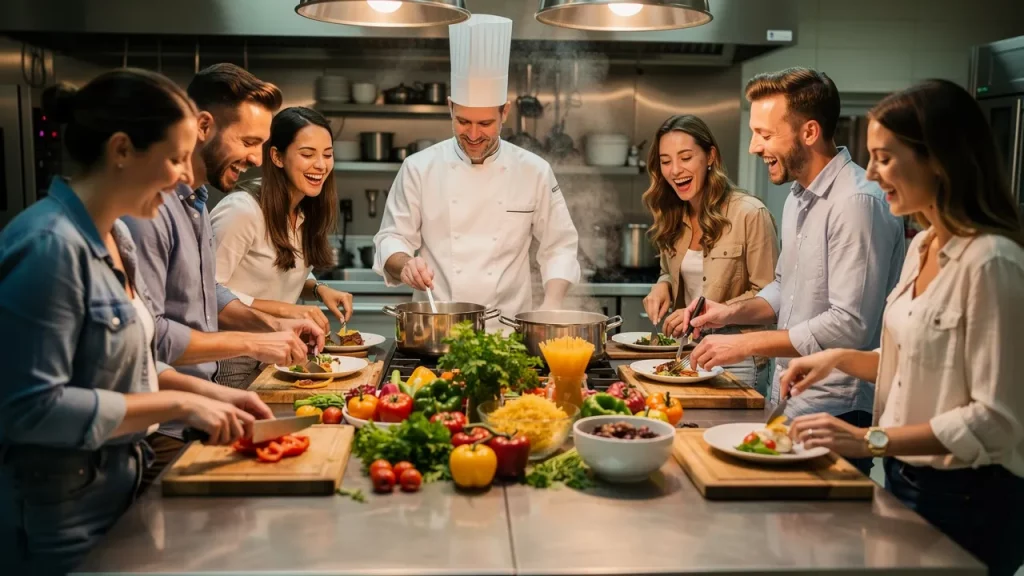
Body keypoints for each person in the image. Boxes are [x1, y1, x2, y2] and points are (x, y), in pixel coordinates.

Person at [0, 70, 273, 575]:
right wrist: (180, 402)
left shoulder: (115, 241)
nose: (182, 176)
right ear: (122, 149)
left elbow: (135, 362)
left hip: (118, 487)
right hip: (60, 514)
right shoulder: (49, 247)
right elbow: (29, 408)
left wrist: (214, 396)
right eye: (173, 158)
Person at [779, 80, 1024, 576]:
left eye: (884, 158)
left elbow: (994, 420)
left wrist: (871, 439)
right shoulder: (923, 246)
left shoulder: (992, 262)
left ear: (938, 157)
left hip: (971, 499)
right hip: (908, 479)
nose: (871, 173)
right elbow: (919, 365)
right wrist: (839, 359)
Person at [672, 68, 905, 475]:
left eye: (765, 134)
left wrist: (747, 345)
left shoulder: (856, 202)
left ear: (809, 132)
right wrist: (728, 313)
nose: (753, 147)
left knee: (819, 532)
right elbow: (786, 289)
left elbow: (850, 325)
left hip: (839, 409)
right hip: (792, 397)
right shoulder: (798, 198)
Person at [123, 63, 323, 490]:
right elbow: (149, 336)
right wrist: (256, 341)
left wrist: (276, 325)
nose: (255, 158)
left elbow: (209, 292)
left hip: (199, 409)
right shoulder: (150, 212)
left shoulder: (194, 203)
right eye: (249, 142)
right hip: (164, 426)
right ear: (204, 126)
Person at [373, 15, 581, 321]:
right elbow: (391, 238)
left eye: (485, 123)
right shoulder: (419, 168)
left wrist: (551, 306)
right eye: (463, 121)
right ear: (450, 107)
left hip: (509, 330)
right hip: (437, 329)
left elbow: (559, 245)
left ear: (505, 112)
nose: (472, 134)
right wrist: (405, 264)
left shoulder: (534, 171)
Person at [211, 107, 355, 387]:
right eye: (307, 154)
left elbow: (274, 268)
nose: (321, 165)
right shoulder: (241, 211)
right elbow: (205, 293)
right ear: (276, 156)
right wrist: (287, 310)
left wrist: (317, 288)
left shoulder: (303, 209)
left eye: (327, 154)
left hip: (275, 348)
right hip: (231, 355)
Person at [641, 114, 779, 390]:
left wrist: (703, 313)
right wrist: (663, 284)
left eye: (686, 157)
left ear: (710, 157)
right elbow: (670, 270)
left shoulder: (750, 214)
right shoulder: (672, 215)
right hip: (690, 353)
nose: (675, 170)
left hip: (739, 359)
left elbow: (772, 298)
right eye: (666, 162)